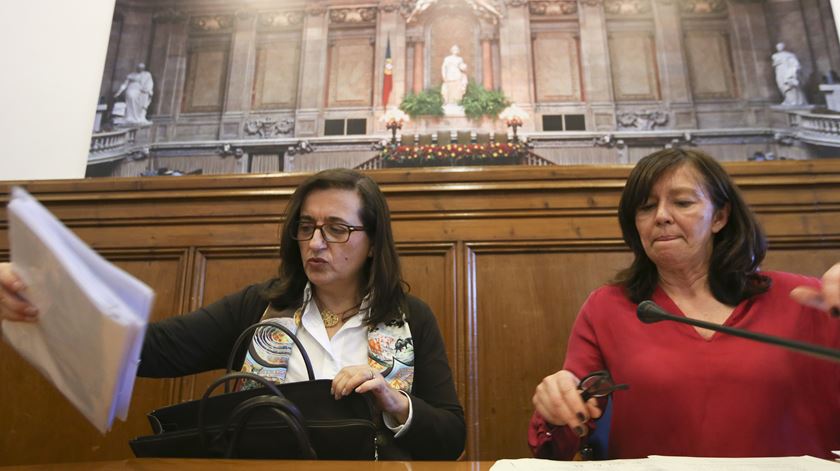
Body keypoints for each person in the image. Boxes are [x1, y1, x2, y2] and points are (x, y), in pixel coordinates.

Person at [0, 168, 465, 460]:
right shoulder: (259, 307)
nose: (316, 242)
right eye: (307, 227)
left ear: (372, 244)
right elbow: (154, 349)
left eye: (337, 229)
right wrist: (49, 301)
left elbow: (450, 438)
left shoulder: (410, 319)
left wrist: (394, 401)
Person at [528, 148, 840, 460]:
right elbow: (559, 445)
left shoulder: (804, 300)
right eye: (647, 207)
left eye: (682, 202)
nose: (661, 216)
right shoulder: (607, 308)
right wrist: (557, 408)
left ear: (719, 216)